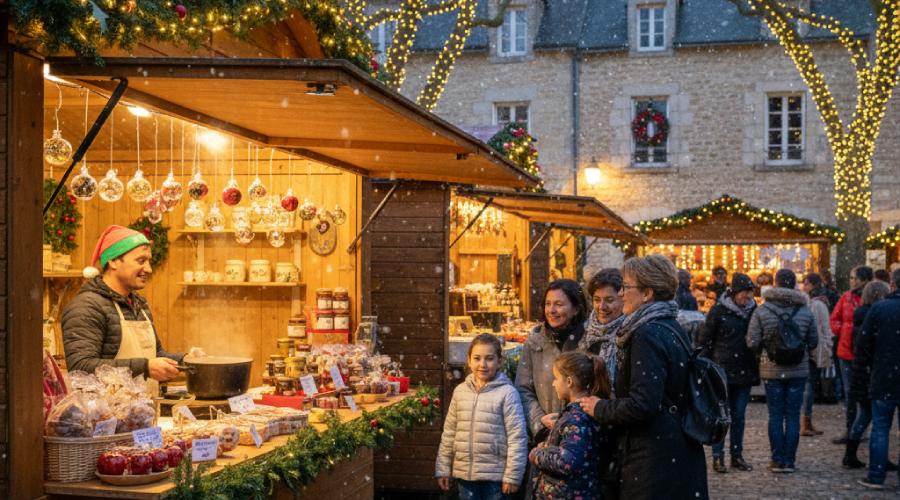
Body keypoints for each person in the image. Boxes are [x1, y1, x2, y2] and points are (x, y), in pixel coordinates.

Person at [579, 254, 708, 500]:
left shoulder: (646, 334)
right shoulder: (669, 325)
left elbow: (644, 403)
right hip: (676, 448)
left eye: (626, 287)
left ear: (647, 293)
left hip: (653, 458)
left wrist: (600, 408)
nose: (622, 294)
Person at [62, 225, 202, 395]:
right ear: (113, 261)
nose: (149, 269)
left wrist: (185, 360)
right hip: (105, 417)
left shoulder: (138, 304)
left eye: (148, 261)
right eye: (141, 261)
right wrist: (145, 368)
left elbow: (154, 354)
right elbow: (81, 368)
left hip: (141, 411)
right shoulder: (86, 307)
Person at [437, 334, 528, 499]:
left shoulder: (507, 393)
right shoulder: (460, 392)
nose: (483, 364)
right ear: (469, 360)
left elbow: (517, 437)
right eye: (477, 358)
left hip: (495, 478)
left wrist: (513, 475)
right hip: (465, 476)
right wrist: (443, 467)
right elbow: (449, 433)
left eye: (489, 358)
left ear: (499, 361)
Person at [747, 269, 818, 473]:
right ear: (794, 284)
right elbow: (814, 341)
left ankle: (777, 459)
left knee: (776, 415)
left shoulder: (763, 310)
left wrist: (767, 350)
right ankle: (790, 460)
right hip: (798, 370)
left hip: (772, 370)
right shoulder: (805, 311)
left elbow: (752, 341)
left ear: (775, 283)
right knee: (793, 416)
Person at [516, 279, 590, 443]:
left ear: (576, 308)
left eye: (559, 304)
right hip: (545, 436)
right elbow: (523, 389)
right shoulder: (534, 342)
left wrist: (575, 421)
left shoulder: (590, 342)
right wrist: (540, 421)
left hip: (581, 435)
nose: (552, 310)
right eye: (548, 304)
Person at [698, 272, 758, 473]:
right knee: (721, 416)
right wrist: (704, 364)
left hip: (745, 370)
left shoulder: (754, 311)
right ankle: (718, 456)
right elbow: (706, 339)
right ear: (734, 293)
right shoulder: (719, 311)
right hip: (721, 371)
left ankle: (736, 455)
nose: (747, 298)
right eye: (744, 294)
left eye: (750, 294)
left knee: (739, 416)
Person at [529, 352, 609, 499]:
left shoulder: (576, 418)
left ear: (569, 382)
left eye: (556, 378)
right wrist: (548, 447)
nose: (553, 383)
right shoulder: (581, 412)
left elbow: (568, 461)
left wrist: (538, 454)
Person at [856, 268, 900, 490]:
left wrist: (865, 368)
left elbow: (863, 344)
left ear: (892, 284)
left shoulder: (880, 309)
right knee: (881, 426)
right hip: (886, 372)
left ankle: (876, 475)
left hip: (884, 375)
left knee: (880, 427)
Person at [845, 281, 892, 470]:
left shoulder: (862, 313)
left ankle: (852, 453)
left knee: (866, 415)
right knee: (872, 418)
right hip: (873, 372)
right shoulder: (876, 315)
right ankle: (871, 458)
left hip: (865, 371)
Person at [830, 265, 874, 444]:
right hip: (846, 351)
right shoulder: (846, 297)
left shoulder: (872, 298)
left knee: (866, 394)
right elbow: (834, 319)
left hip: (865, 353)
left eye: (854, 278)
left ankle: (861, 429)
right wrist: (843, 330)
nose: (851, 281)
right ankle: (851, 429)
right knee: (849, 394)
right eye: (851, 278)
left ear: (864, 280)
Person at [800, 273, 834, 437]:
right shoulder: (818, 302)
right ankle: (805, 421)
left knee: (809, 386)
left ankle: (806, 421)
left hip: (812, 349)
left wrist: (825, 345)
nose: (803, 286)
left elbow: (821, 329)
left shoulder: (815, 304)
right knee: (809, 386)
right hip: (814, 348)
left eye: (805, 284)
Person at [580, 268, 626, 385]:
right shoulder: (584, 331)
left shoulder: (631, 334)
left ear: (623, 299)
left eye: (609, 300)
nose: (602, 307)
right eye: (597, 300)